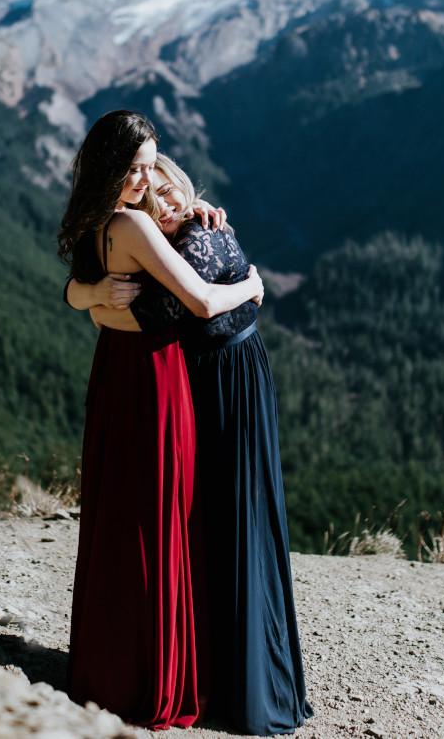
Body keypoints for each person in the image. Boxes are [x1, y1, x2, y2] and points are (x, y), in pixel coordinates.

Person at [70, 155, 313, 735]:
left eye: (170, 184)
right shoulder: (168, 240)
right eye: (152, 196)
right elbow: (113, 311)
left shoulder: (197, 242)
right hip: (217, 380)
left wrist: (252, 285)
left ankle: (245, 681)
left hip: (228, 380)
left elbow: (180, 309)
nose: (168, 198)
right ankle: (226, 673)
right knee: (216, 522)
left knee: (236, 518)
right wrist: (88, 295)